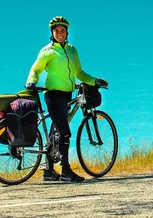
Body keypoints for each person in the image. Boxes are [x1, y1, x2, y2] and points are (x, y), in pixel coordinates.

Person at [25, 16, 108, 182]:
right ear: (52, 32)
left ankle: (48, 170)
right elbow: (36, 69)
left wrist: (94, 81)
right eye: (56, 31)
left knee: (57, 130)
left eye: (62, 30)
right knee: (64, 132)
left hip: (66, 94)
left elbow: (79, 73)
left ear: (67, 32)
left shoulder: (72, 51)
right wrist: (31, 81)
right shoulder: (47, 51)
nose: (60, 33)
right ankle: (66, 171)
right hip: (53, 94)